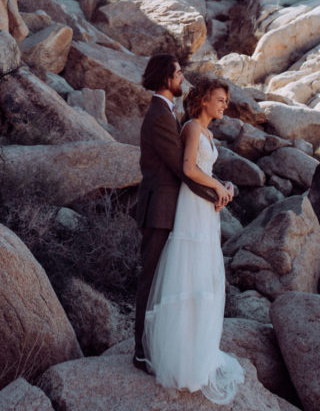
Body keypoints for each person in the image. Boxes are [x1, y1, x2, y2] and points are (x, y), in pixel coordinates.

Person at [142, 75, 244, 404]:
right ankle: (181, 361)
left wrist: (223, 185)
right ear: (203, 101)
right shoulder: (191, 129)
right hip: (192, 207)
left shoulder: (209, 132)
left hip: (205, 209)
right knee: (189, 273)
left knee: (205, 275)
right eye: (219, 99)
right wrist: (217, 187)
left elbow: (204, 170)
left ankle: (198, 355)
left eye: (226, 101)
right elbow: (188, 168)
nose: (224, 105)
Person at [133, 53, 227, 372]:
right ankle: (141, 352)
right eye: (177, 73)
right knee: (150, 279)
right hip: (159, 208)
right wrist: (215, 191)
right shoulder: (160, 115)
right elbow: (181, 169)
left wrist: (214, 192)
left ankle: (160, 342)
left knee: (165, 279)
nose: (181, 78)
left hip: (172, 208)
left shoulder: (168, 112)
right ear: (165, 78)